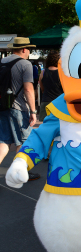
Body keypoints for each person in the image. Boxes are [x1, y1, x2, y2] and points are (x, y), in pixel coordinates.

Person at [0, 37, 40, 181]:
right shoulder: (25, 64)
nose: (30, 51)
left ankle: (18, 172)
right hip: (18, 108)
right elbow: (29, 89)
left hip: (3, 106)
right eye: (29, 49)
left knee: (4, 142)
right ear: (24, 49)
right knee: (22, 142)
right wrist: (33, 111)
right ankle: (19, 174)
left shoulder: (2, 62)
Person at [38, 50, 63, 122]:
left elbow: (42, 89)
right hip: (59, 103)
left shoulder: (43, 72)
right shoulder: (62, 73)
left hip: (46, 102)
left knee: (45, 127)